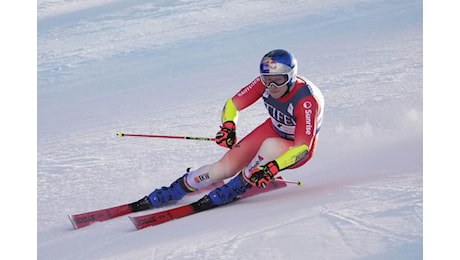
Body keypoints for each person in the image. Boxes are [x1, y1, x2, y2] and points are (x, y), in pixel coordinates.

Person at [130, 49, 324, 211]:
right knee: (224, 167)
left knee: (270, 147)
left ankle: (238, 185)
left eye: (278, 80)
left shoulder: (306, 101)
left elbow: (303, 148)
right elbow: (233, 104)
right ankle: (178, 188)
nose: (272, 86)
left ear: (291, 76)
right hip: (273, 129)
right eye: (267, 79)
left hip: (295, 147)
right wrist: (228, 126)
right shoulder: (262, 85)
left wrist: (272, 168)